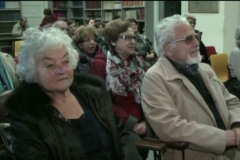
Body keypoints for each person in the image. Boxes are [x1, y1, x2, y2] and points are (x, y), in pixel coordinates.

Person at [4, 27, 143, 160]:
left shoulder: (93, 93)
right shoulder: (25, 113)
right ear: (32, 71)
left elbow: (123, 135)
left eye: (65, 61)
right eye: (50, 65)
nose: (61, 70)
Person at [141, 14, 240, 160]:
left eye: (196, 36)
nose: (196, 43)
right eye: (188, 39)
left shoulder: (204, 69)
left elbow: (231, 101)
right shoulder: (155, 78)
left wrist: (239, 125)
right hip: (197, 154)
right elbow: (170, 127)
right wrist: (223, 138)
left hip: (235, 147)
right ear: (168, 48)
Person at [90, 19, 148, 159]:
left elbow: (150, 92)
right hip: (117, 123)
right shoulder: (101, 64)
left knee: (175, 137)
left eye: (134, 37)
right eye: (127, 38)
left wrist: (147, 120)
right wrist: (132, 123)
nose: (133, 41)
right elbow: (103, 102)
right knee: (135, 148)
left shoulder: (137, 61)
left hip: (144, 119)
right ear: (113, 41)